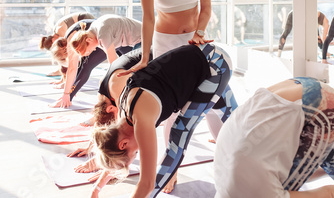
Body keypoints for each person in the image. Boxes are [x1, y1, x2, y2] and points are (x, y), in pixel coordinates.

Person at [116, 0, 214, 192]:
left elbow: (206, 8)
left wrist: (199, 34)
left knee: (208, 103)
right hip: (165, 45)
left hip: (195, 42)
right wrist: (145, 57)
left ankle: (228, 153)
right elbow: (148, 18)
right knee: (170, 112)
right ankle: (169, 170)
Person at [89, 43, 237, 198]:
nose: (138, 152)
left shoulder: (141, 119)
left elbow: (147, 183)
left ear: (124, 144)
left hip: (215, 64)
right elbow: (112, 149)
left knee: (179, 133)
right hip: (203, 60)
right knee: (237, 122)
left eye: (135, 153)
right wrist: (97, 189)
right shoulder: (123, 114)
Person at [214, 77, 334, 198]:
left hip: (318, 107)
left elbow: (328, 195)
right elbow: (282, 172)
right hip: (296, 89)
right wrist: (328, 171)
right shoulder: (223, 186)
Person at [50, 17, 141, 109]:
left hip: (142, 38)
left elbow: (114, 67)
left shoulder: (102, 37)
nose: (93, 51)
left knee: (131, 72)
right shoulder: (92, 34)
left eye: (87, 52)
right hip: (128, 38)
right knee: (127, 69)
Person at [69, 14, 142, 64]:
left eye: (89, 51)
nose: (94, 50)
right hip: (141, 37)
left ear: (88, 40)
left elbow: (113, 62)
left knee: (136, 68)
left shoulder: (102, 35)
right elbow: (113, 59)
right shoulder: (94, 28)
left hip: (145, 37)